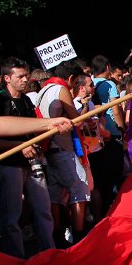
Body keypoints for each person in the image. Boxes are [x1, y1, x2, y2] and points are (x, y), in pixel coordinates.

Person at [0, 58, 55, 257]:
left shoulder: (27, 100)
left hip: (32, 161)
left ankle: (49, 252)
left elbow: (32, 127)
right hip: (9, 163)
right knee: (11, 214)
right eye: (19, 76)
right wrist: (19, 147)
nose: (25, 79)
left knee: (42, 208)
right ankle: (16, 260)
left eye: (26, 75)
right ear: (7, 78)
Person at [36, 59, 91, 245]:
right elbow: (76, 119)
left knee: (56, 192)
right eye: (75, 83)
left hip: (47, 148)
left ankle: (58, 235)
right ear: (70, 78)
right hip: (61, 148)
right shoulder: (61, 89)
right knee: (80, 187)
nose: (75, 87)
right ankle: (79, 235)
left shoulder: (43, 89)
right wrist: (86, 112)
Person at [90, 55, 127, 219]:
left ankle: (103, 211)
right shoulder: (110, 84)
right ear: (107, 69)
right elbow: (116, 109)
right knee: (115, 171)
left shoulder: (90, 85)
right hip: (111, 130)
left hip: (97, 134)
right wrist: (121, 128)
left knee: (101, 175)